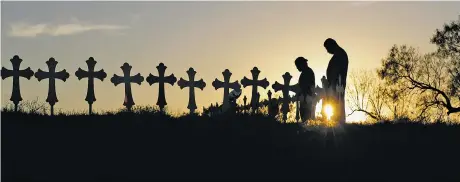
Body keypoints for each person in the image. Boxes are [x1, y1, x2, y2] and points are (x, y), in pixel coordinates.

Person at [324, 38, 348, 124]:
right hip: (334, 84)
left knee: (338, 103)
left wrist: (333, 82)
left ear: (332, 45)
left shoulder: (340, 54)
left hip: (337, 85)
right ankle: (337, 120)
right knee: (336, 103)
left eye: (327, 48)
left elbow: (336, 70)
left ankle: (339, 122)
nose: (327, 51)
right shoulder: (339, 54)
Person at [295, 57, 316, 122]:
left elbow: (306, 86)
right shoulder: (306, 72)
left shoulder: (307, 72)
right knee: (305, 118)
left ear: (301, 64)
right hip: (305, 98)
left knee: (306, 118)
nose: (297, 67)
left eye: (297, 65)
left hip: (307, 98)